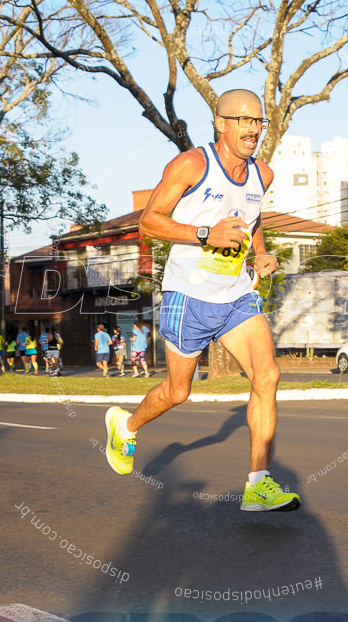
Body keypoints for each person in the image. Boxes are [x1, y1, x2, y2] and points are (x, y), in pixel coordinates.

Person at [103, 89, 300, 512]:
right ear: (220, 122)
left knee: (267, 377)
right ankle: (127, 425)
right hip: (187, 295)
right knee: (178, 392)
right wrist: (206, 234)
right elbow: (149, 222)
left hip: (235, 294)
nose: (252, 129)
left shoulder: (262, 174)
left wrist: (260, 251)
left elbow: (253, 215)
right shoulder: (191, 164)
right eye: (242, 120)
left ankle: (258, 484)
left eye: (258, 121)